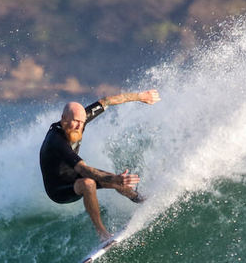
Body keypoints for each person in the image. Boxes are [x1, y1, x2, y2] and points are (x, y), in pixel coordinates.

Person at [39, 89, 160, 241]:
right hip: (57, 189)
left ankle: (141, 200)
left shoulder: (79, 121)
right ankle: (102, 233)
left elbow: (106, 101)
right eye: (75, 121)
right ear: (63, 119)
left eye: (82, 122)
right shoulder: (56, 141)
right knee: (90, 183)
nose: (78, 126)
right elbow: (82, 169)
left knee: (115, 179)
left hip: (74, 176)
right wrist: (114, 179)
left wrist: (140, 96)